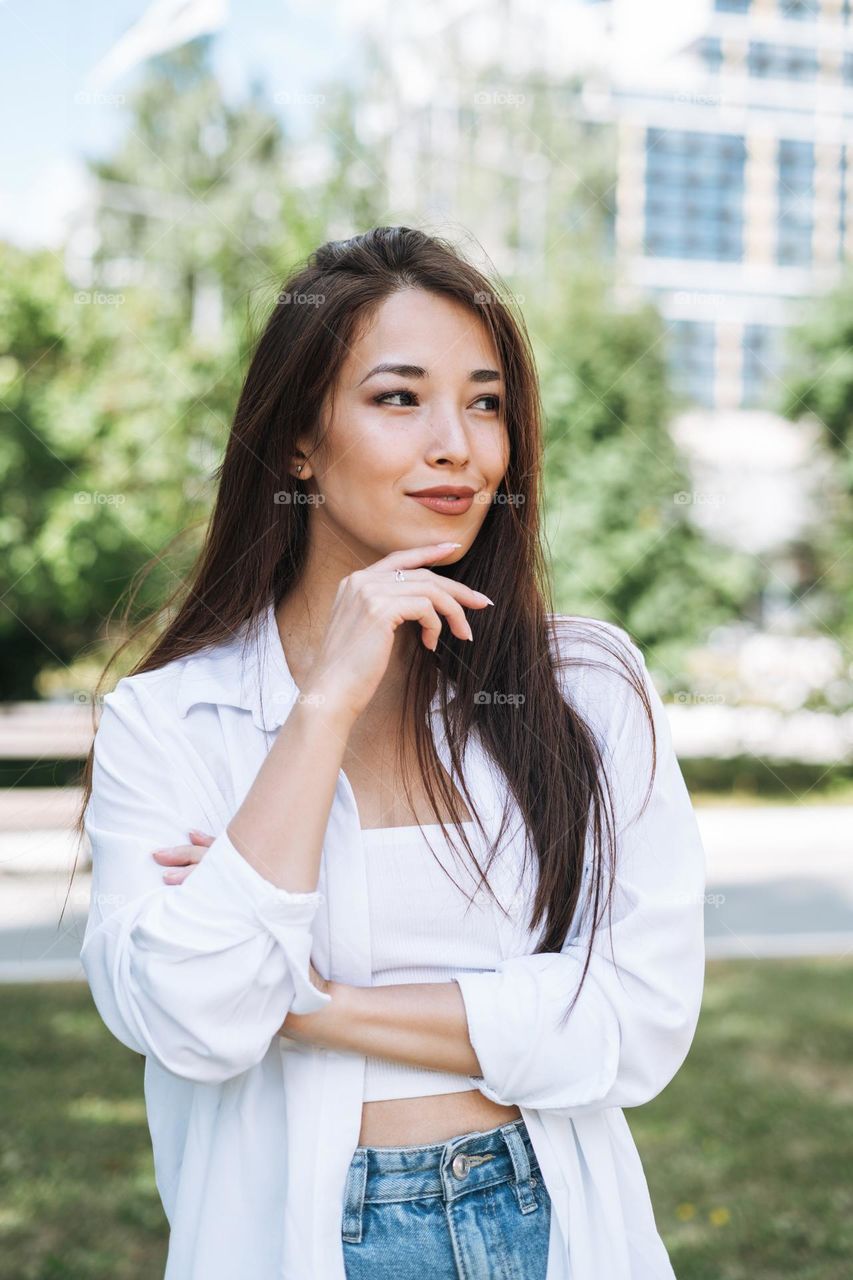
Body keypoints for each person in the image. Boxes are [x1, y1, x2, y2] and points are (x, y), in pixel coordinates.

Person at [76, 225, 706, 1280]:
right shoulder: (172, 719)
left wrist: (303, 999)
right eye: (399, 397)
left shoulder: (588, 685)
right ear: (297, 441)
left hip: (550, 1221)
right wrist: (321, 706)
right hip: (302, 1237)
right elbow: (191, 1019)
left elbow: (635, 1020)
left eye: (486, 400)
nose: (458, 443)